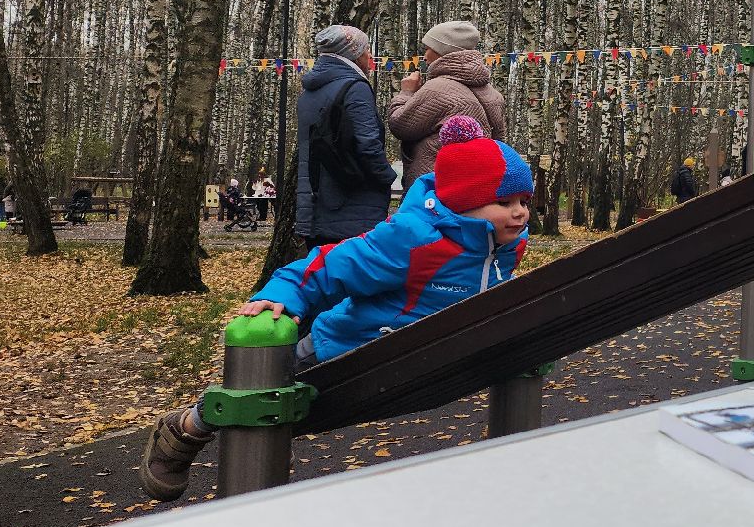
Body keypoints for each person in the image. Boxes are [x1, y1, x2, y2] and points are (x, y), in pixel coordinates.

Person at [139, 116, 533, 501]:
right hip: (340, 348)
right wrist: (287, 294)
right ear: (464, 202)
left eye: (523, 201)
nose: (519, 212)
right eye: (503, 201)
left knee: (288, 417)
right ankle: (185, 429)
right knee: (255, 397)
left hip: (404, 362)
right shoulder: (412, 241)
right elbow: (330, 265)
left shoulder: (505, 246)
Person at [297, 24, 397, 247]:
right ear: (352, 54)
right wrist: (387, 178)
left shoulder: (310, 91)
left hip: (313, 205)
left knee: (324, 274)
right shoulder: (354, 87)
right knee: (353, 275)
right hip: (352, 206)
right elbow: (368, 144)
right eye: (365, 49)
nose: (370, 56)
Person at [389, 20, 506, 183]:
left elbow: (400, 126)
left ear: (442, 51)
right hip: (477, 184)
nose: (424, 56)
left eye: (428, 48)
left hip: (435, 188)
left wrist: (407, 92)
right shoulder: (494, 94)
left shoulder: (437, 89)